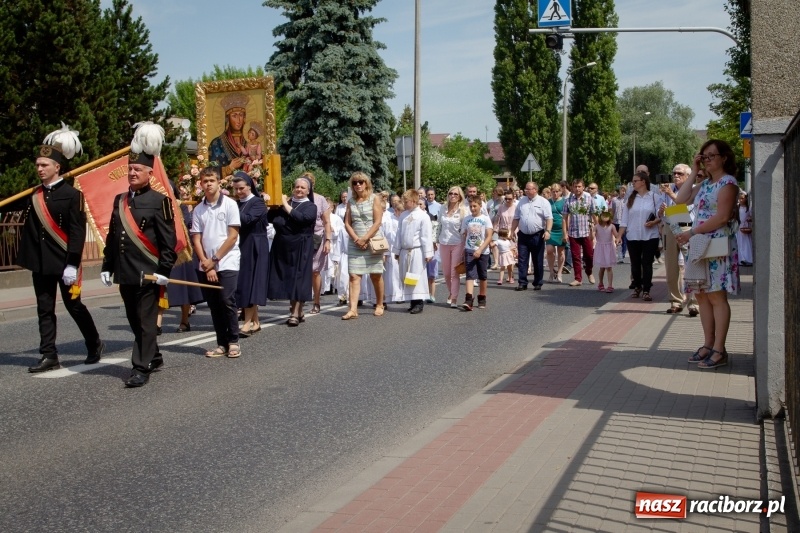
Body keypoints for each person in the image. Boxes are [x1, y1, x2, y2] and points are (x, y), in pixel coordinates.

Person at [12, 124, 104, 373]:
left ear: (57, 167)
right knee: (44, 309)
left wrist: (73, 263)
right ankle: (49, 355)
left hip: (64, 263)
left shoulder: (72, 195)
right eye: (38, 165)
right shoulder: (34, 195)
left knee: (74, 306)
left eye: (44, 165)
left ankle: (94, 343)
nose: (39, 169)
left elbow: (76, 232)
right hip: (40, 262)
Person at [101, 122, 176, 387]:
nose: (132, 173)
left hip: (148, 273)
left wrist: (165, 271)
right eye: (130, 169)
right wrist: (106, 265)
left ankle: (139, 368)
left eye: (138, 169)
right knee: (134, 319)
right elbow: (112, 236)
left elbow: (169, 241)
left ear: (149, 172)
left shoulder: (160, 201)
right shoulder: (120, 200)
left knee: (145, 322)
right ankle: (153, 355)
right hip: (125, 271)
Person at [675, 139, 740, 369]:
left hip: (717, 244)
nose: (708, 160)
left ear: (724, 157)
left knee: (716, 296)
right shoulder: (705, 184)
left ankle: (720, 349)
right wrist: (693, 172)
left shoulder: (728, 183)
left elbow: (722, 217)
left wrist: (692, 231)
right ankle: (708, 343)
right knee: (702, 295)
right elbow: (680, 200)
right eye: (704, 156)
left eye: (712, 155)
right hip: (701, 243)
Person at [191, 167, 241, 357]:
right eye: (205, 181)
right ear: (201, 184)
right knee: (214, 304)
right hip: (207, 263)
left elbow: (232, 236)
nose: (208, 184)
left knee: (227, 300)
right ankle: (221, 343)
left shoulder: (229, 204)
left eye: (212, 180)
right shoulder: (198, 209)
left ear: (219, 182)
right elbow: (196, 238)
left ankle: (234, 341)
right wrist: (205, 262)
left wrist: (214, 260)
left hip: (227, 260)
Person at [267, 176, 317, 326]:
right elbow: (270, 219)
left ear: (308, 191)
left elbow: (301, 218)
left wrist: (284, 204)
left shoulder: (310, 206)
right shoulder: (285, 203)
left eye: (303, 187)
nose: (299, 190)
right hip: (282, 245)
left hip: (301, 245)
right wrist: (271, 206)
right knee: (289, 278)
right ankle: (297, 310)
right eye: (297, 187)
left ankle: (294, 313)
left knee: (299, 278)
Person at [159, 182, 204, 334]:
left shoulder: (181, 206)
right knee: (160, 288)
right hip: (161, 250)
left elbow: (187, 224)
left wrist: (177, 208)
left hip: (181, 251)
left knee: (183, 288)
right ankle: (157, 324)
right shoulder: (156, 205)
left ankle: (184, 320)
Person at [342, 172, 385, 319]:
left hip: (371, 241)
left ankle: (380, 304)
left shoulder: (374, 199)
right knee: (354, 276)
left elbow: (377, 221)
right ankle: (353, 309)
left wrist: (365, 238)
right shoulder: (351, 201)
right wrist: (356, 239)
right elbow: (347, 223)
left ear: (366, 183)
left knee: (375, 275)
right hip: (355, 243)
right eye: (355, 182)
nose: (358, 185)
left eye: (360, 182)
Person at [658, 164, 699, 316]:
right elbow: (660, 214)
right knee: (671, 267)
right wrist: (660, 212)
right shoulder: (667, 190)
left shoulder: (693, 189)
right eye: (674, 173)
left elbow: (685, 206)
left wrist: (670, 194)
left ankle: (694, 303)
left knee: (691, 265)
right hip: (670, 226)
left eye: (680, 173)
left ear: (688, 176)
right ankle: (675, 301)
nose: (675, 176)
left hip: (687, 227)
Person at [232, 172, 269, 335]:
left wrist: (231, 209)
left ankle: (246, 324)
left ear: (249, 186)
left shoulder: (258, 203)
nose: (239, 192)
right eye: (236, 189)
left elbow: (246, 220)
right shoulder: (237, 203)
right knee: (246, 282)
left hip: (256, 245)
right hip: (242, 244)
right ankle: (256, 322)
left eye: (241, 188)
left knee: (251, 283)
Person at [619, 171, 662, 302]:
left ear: (643, 181)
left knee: (647, 263)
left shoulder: (654, 197)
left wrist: (654, 221)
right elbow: (624, 220)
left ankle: (647, 290)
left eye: (635, 181)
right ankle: (637, 286)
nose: (633, 184)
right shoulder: (630, 199)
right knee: (635, 264)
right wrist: (619, 236)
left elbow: (661, 215)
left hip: (650, 235)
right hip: (633, 235)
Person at [393, 189, 434, 314]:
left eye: (406, 201)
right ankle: (412, 300)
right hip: (405, 251)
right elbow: (399, 234)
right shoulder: (404, 215)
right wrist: (397, 250)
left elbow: (426, 236)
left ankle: (419, 302)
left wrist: (428, 253)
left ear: (414, 201)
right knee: (406, 276)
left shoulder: (423, 216)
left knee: (416, 276)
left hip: (417, 251)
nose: (404, 204)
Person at [511, 181, 553, 291]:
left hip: (537, 235)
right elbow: (516, 218)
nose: (526, 191)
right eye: (526, 189)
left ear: (535, 190)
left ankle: (538, 282)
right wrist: (511, 231)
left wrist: (548, 231)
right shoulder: (521, 201)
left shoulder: (543, 202)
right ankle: (522, 282)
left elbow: (549, 218)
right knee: (522, 259)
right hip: (523, 235)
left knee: (537, 260)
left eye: (529, 189)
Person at [300, 172, 332, 315]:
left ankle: (317, 302)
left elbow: (326, 222)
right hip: (300, 237)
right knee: (300, 271)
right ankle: (298, 302)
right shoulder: (296, 199)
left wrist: (328, 241)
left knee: (315, 271)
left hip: (317, 237)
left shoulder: (320, 200)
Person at [460, 197, 494, 310]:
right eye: (471, 206)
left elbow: (489, 236)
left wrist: (480, 249)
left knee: (482, 275)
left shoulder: (485, 219)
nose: (473, 208)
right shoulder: (466, 219)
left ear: (480, 206)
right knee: (470, 274)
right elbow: (464, 234)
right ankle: (469, 299)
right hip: (470, 249)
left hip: (483, 250)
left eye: (475, 206)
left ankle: (482, 297)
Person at [438, 186, 468, 308]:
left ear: (460, 196)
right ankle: (451, 292)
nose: (453, 196)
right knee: (446, 272)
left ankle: (454, 297)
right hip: (444, 242)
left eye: (456, 194)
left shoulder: (463, 210)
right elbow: (438, 225)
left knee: (454, 272)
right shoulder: (443, 208)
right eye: (451, 193)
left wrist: (466, 246)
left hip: (457, 243)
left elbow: (466, 229)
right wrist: (435, 241)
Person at [562, 179, 596, 286]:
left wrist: (597, 229)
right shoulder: (568, 200)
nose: (577, 189)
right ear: (572, 187)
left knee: (589, 255)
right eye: (575, 186)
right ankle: (578, 278)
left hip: (586, 231)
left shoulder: (588, 198)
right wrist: (565, 233)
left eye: (579, 186)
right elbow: (564, 217)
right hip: (573, 232)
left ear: (583, 187)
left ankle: (589, 272)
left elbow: (594, 214)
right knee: (575, 256)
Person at [208, 91, 250, 176]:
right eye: (234, 116)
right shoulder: (216, 143)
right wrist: (229, 168)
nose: (239, 120)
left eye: (241, 115)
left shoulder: (248, 143)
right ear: (228, 119)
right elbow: (210, 172)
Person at [545, 182, 567, 283]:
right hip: (550, 229)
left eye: (557, 191)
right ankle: (551, 272)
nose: (555, 193)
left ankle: (559, 272)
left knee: (561, 251)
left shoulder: (564, 202)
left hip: (561, 229)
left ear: (561, 191)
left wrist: (565, 232)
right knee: (549, 250)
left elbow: (567, 217)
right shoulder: (547, 202)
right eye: (553, 192)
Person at [594, 211, 620, 292]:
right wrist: (591, 231)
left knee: (609, 267)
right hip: (600, 247)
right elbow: (591, 237)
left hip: (609, 247)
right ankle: (601, 283)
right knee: (602, 267)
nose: (605, 218)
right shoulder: (596, 226)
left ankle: (610, 285)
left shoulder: (611, 226)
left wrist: (617, 239)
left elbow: (616, 235)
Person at [610, 185, 628, 263]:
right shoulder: (614, 200)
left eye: (625, 191)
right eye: (622, 191)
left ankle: (622, 254)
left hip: (624, 222)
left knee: (624, 239)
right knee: (617, 238)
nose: (623, 192)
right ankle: (619, 253)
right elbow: (612, 210)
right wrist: (610, 220)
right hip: (616, 221)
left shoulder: (628, 200)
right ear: (619, 191)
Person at [737, 191, 753, 266]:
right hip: (739, 227)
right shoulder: (737, 207)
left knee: (746, 243)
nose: (740, 200)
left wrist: (749, 218)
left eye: (742, 198)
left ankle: (748, 259)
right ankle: (741, 259)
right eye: (739, 199)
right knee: (739, 243)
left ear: (746, 199)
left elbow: (750, 216)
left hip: (745, 227)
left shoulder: (748, 208)